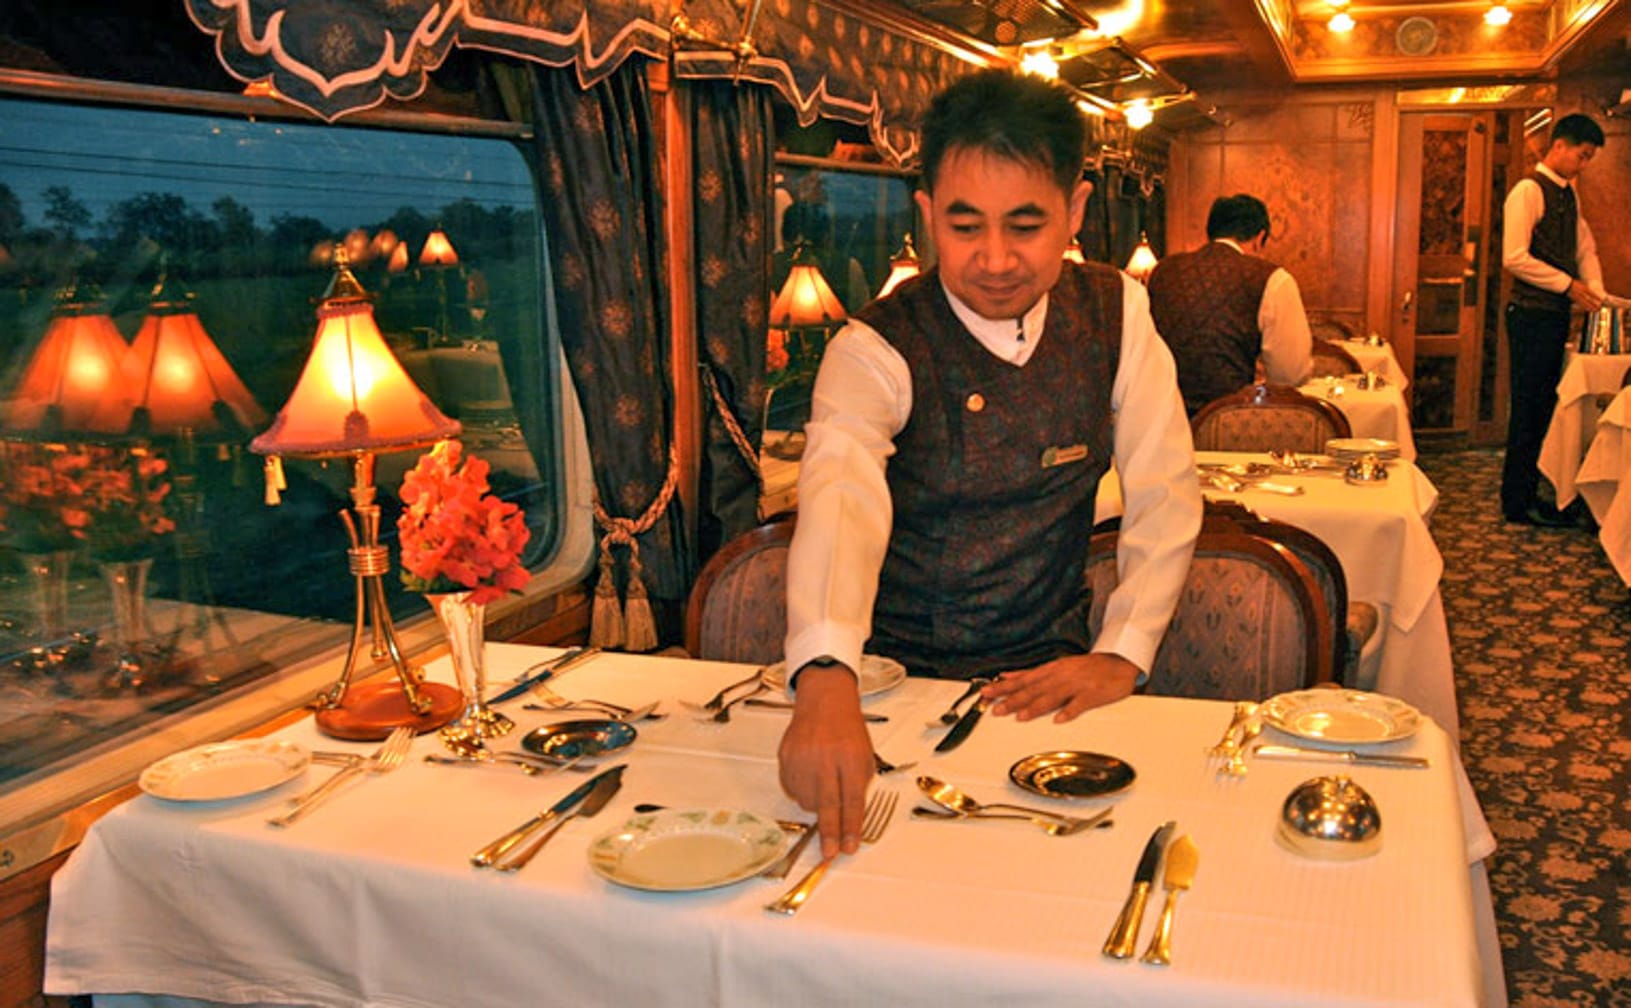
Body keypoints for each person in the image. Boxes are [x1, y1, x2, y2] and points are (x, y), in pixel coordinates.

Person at [776, 67, 1203, 858]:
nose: (995, 259)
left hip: (1048, 681)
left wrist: (1122, 651)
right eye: (964, 227)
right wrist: (826, 669)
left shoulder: (1116, 311)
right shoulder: (874, 347)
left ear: (1074, 211)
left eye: (1025, 225)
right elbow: (840, 495)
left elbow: (1166, 489)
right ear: (927, 212)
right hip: (890, 683)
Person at [1500, 112, 1607, 527]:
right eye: (1582, 156)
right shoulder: (1529, 190)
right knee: (1528, 407)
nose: (1583, 165)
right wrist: (1569, 285)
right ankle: (1516, 501)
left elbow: (1585, 247)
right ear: (1559, 146)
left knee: (1543, 406)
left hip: (1552, 315)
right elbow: (1514, 257)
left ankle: (1528, 494)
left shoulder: (1567, 195)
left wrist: (1593, 289)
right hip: (1529, 314)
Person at [1145, 193, 1314, 416]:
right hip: (1230, 420)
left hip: (1161, 414)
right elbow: (1290, 374)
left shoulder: (1163, 271)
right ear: (1259, 237)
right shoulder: (1272, 278)